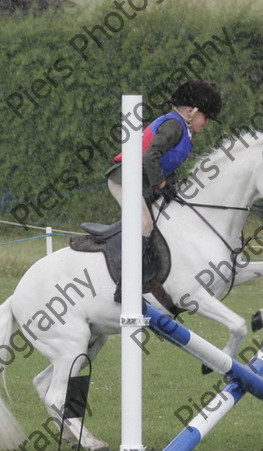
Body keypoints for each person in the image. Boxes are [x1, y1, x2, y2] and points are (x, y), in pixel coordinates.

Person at [105, 79, 222, 302]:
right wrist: (161, 185)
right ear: (192, 111)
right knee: (145, 224)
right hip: (125, 179)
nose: (207, 123)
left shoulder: (184, 132)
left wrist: (172, 187)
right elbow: (151, 156)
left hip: (142, 181)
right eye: (206, 117)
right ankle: (125, 285)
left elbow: (166, 165)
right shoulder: (174, 125)